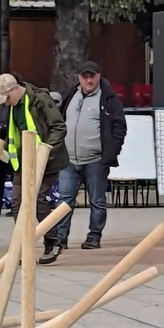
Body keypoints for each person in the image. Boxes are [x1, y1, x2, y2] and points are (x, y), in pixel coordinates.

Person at [0, 73, 69, 264]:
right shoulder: (12, 107)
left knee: (37, 199)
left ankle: (52, 240)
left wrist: (46, 150)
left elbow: (59, 127)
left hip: (46, 160)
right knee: (17, 202)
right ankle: (22, 246)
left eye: (7, 98)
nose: (6, 103)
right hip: (22, 162)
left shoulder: (40, 100)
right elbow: (11, 130)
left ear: (15, 89)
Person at [56, 61, 126, 250]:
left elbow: (120, 127)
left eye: (92, 76)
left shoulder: (109, 99)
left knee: (97, 201)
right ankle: (60, 238)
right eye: (84, 76)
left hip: (96, 160)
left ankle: (94, 236)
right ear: (79, 78)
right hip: (69, 159)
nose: (88, 80)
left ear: (98, 76)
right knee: (64, 201)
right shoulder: (71, 96)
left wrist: (111, 152)